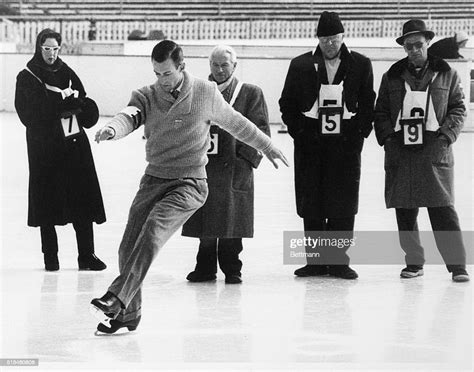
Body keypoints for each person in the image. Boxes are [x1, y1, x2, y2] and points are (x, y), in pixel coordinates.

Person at [90, 40, 288, 334]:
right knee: (127, 246)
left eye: (166, 74)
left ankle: (118, 296)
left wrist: (268, 145)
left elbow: (238, 123)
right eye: (156, 74)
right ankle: (129, 314)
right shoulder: (147, 94)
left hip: (191, 182)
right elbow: (129, 114)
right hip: (154, 178)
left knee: (154, 229)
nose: (161, 80)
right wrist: (113, 129)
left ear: (181, 67)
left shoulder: (204, 93)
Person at [279, 11, 375, 279]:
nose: (330, 44)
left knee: (342, 202)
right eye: (324, 39)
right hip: (311, 143)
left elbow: (369, 102)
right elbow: (286, 103)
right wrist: (299, 132)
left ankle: (339, 262)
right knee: (313, 201)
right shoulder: (300, 65)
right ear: (317, 39)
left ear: (343, 37)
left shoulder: (360, 64)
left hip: (345, 143)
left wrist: (358, 135)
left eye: (334, 39)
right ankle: (316, 261)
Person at [374, 19, 469, 282]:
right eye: (408, 46)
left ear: (428, 43)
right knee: (405, 210)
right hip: (401, 150)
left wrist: (446, 136)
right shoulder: (391, 76)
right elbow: (380, 111)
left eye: (418, 44)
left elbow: (458, 108)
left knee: (442, 209)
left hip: (433, 149)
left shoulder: (447, 73)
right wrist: (388, 139)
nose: (414, 50)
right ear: (403, 47)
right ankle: (413, 262)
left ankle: (457, 265)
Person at [14, 28, 107, 272]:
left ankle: (87, 255)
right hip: (45, 149)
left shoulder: (67, 72)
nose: (51, 54)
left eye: (56, 49)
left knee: (82, 198)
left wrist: (82, 107)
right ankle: (51, 258)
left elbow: (82, 100)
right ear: (38, 47)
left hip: (74, 145)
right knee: (47, 201)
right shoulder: (27, 76)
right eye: (47, 49)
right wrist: (58, 108)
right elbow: (27, 115)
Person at [181, 45, 271, 284]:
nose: (219, 70)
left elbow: (260, 129)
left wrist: (244, 158)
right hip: (204, 165)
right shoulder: (197, 90)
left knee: (232, 222)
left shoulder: (250, 93)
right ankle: (205, 267)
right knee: (206, 220)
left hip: (234, 167)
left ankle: (233, 268)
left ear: (234, 66)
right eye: (215, 65)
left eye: (224, 65)